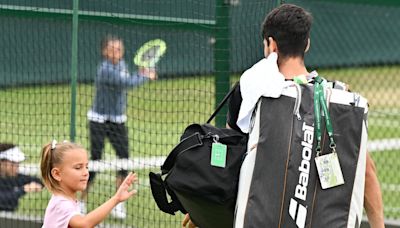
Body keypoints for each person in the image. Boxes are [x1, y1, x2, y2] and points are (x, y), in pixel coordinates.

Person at [183, 3, 384, 228]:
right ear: (306, 44)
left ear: (271, 45)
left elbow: (230, 165)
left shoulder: (250, 92)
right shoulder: (336, 100)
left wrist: (204, 211)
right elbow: (366, 172)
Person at [85, 34, 157, 218]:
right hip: (99, 121)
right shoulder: (105, 69)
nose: (117, 52)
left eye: (119, 49)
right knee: (95, 161)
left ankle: (118, 204)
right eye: (113, 49)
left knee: (124, 161)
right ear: (104, 51)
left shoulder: (122, 64)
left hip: (118, 121)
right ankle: (81, 201)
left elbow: (128, 78)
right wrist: (145, 75)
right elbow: (126, 83)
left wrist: (141, 73)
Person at [40, 140, 138, 228]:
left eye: (86, 167)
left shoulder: (68, 201)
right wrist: (116, 199)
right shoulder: (61, 204)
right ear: (57, 174)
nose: (86, 172)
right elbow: (84, 224)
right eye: (78, 167)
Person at [0, 143, 43, 211]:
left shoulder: (14, 178)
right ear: (1, 163)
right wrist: (23, 189)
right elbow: (2, 199)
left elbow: (38, 181)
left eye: (18, 163)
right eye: (13, 163)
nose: (16, 167)